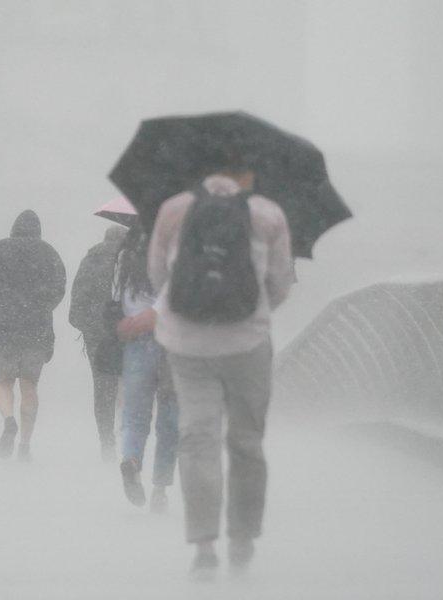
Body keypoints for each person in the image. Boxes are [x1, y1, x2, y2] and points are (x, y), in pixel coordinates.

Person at [146, 159, 293, 575]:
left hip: (187, 344)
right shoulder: (268, 212)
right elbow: (280, 282)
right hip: (247, 343)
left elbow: (159, 277)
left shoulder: (175, 209)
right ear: (244, 172)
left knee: (197, 438)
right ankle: (243, 536)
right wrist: (250, 311)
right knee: (246, 442)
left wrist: (195, 307)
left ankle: (205, 546)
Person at [0, 210, 66, 462]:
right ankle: (24, 444)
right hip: (37, 329)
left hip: (3, 327)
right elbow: (59, 290)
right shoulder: (49, 253)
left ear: (13, 229)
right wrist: (40, 305)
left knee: (3, 381)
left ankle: (9, 420)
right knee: (30, 385)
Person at [114, 225, 178, 513]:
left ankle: (131, 460)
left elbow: (117, 300)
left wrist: (131, 322)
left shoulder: (126, 255)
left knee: (134, 414)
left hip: (137, 342)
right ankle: (160, 489)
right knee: (169, 419)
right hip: (174, 344)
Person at [69, 224, 127, 461]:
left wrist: (88, 326)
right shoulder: (132, 262)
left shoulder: (90, 260)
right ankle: (126, 435)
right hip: (126, 332)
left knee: (102, 388)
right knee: (126, 384)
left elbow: (77, 301)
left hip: (97, 337)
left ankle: (106, 440)